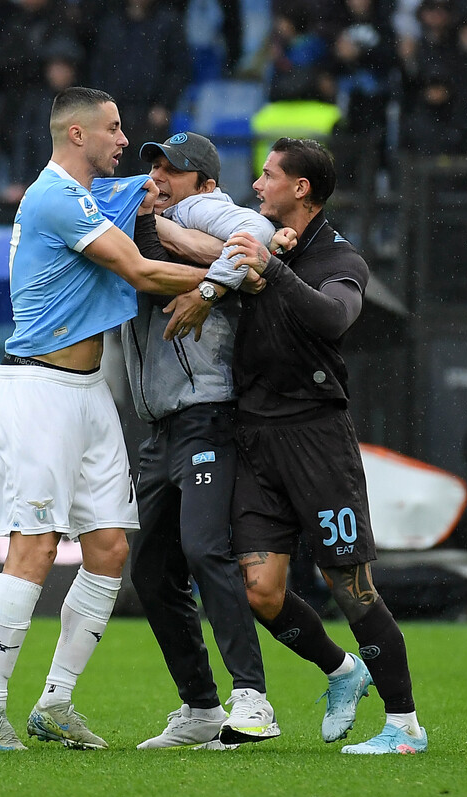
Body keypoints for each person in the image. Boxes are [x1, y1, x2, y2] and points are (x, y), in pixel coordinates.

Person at [0, 87, 219, 752]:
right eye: (113, 127)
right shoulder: (54, 198)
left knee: (108, 550)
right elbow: (133, 268)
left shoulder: (94, 194)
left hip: (89, 392)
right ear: (76, 135)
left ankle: (55, 703)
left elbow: (150, 190)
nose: (123, 139)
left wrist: (165, 192)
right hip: (37, 390)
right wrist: (224, 278)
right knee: (37, 548)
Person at [225, 136, 428, 755]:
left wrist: (273, 270)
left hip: (315, 437)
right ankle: (343, 672)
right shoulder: (256, 238)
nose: (257, 187)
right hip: (254, 435)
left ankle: (404, 727)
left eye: (267, 176)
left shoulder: (343, 260)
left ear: (300, 188)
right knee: (259, 589)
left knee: (350, 584)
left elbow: (333, 319)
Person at [124, 132, 290, 750]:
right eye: (155, 166)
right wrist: (159, 233)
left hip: (207, 412)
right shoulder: (149, 215)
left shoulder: (200, 209)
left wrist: (206, 283)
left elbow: (260, 237)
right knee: (149, 570)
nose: (160, 177)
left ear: (207, 183)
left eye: (175, 169)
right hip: (160, 425)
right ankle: (198, 706)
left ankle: (252, 700)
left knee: (202, 548)